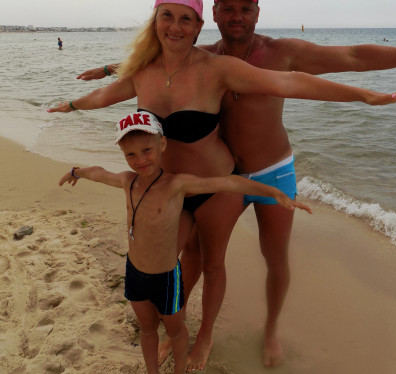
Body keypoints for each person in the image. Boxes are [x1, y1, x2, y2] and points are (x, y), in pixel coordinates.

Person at [76, 0, 396, 368]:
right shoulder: (205, 56)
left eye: (245, 9)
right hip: (226, 175)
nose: (236, 17)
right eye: (228, 9)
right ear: (214, 15)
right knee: (197, 255)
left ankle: (270, 329)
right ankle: (180, 328)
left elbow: (354, 55)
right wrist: (107, 69)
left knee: (275, 258)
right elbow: (160, 60)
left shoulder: (282, 52)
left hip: (272, 171)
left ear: (258, 13)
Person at [58, 110, 311, 374]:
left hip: (166, 278)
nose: (140, 160)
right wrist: (76, 171)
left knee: (176, 331)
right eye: (130, 154)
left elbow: (227, 183)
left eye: (147, 150)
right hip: (134, 272)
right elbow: (98, 173)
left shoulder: (177, 185)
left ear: (162, 144)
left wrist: (273, 192)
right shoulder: (127, 181)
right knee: (147, 329)